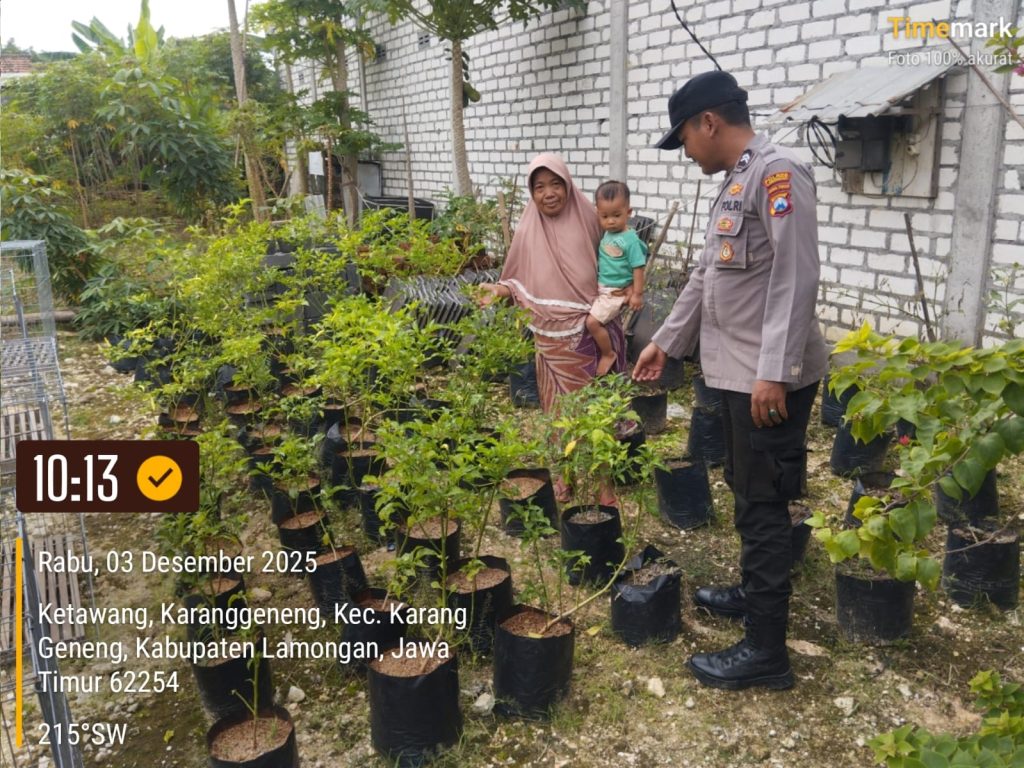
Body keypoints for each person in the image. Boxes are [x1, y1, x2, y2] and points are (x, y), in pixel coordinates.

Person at [633, 70, 829, 691]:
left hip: (769, 380)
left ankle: (767, 654)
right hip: (741, 378)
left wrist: (774, 370)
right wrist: (665, 340)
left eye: (684, 138)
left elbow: (797, 278)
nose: (686, 151)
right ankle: (754, 595)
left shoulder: (777, 175)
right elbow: (704, 278)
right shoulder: (735, 183)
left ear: (709, 123)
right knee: (746, 491)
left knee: (764, 506)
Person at [477, 154, 626, 503]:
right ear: (532, 192)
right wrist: (497, 290)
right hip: (549, 341)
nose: (548, 193)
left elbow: (622, 257)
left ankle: (606, 485)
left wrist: (627, 288)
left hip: (590, 334)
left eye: (555, 184)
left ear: (568, 185)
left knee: (598, 412)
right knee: (559, 414)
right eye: (539, 187)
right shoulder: (528, 228)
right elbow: (514, 281)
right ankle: (568, 475)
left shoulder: (592, 219)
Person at [587, 180, 647, 376]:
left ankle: (607, 353)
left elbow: (638, 267)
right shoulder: (607, 233)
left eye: (616, 215)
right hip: (604, 288)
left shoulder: (630, 240)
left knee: (592, 323)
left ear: (628, 213)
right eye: (605, 216)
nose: (610, 221)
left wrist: (637, 294)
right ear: (598, 213)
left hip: (614, 293)